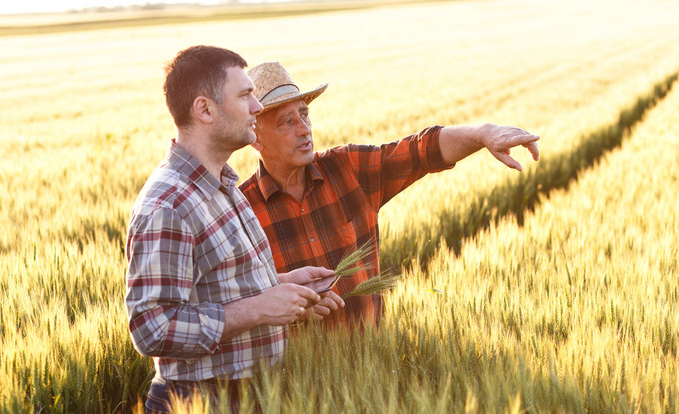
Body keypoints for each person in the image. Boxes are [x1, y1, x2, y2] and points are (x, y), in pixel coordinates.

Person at [124, 47, 344, 414]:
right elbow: (150, 328)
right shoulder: (168, 205)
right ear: (205, 109)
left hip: (251, 398)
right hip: (199, 402)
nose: (257, 107)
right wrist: (259, 308)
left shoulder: (223, 185)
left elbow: (216, 284)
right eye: (245, 95)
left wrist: (285, 286)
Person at [239, 62, 540, 326]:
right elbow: (230, 301)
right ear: (255, 137)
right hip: (297, 382)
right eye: (287, 122)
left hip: (375, 365)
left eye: (304, 115)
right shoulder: (240, 212)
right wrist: (288, 310)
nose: (304, 129)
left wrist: (482, 134)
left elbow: (420, 151)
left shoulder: (347, 169)